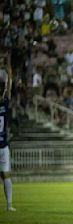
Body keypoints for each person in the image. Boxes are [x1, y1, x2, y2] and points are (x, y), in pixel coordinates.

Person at [0, 55, 15, 211]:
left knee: (5, 176)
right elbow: (8, 89)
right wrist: (9, 73)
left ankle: (10, 205)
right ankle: (9, 205)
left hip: (3, 145)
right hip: (3, 146)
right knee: (6, 175)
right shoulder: (4, 104)